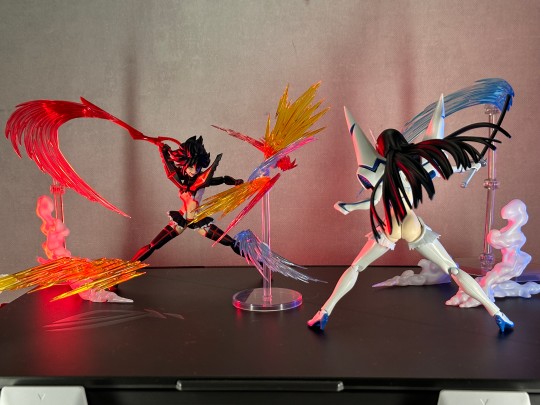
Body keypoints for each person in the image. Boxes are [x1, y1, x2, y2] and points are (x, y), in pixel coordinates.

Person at [308, 98, 515, 333]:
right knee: (453, 270)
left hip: (391, 226)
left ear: (380, 148)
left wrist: (350, 207)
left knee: (356, 267)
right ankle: (498, 313)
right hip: (412, 224)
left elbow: (373, 202)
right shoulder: (418, 165)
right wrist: (470, 165)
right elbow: (448, 168)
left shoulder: (381, 170)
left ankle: (324, 311)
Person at [132, 136, 244, 261]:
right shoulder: (181, 183)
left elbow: (222, 179)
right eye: (191, 167)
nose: (194, 171)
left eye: (198, 167)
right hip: (182, 219)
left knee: (230, 242)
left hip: (198, 220)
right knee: (153, 245)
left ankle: (259, 262)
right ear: (184, 165)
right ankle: (129, 266)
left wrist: (235, 181)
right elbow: (169, 169)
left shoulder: (202, 181)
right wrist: (162, 150)